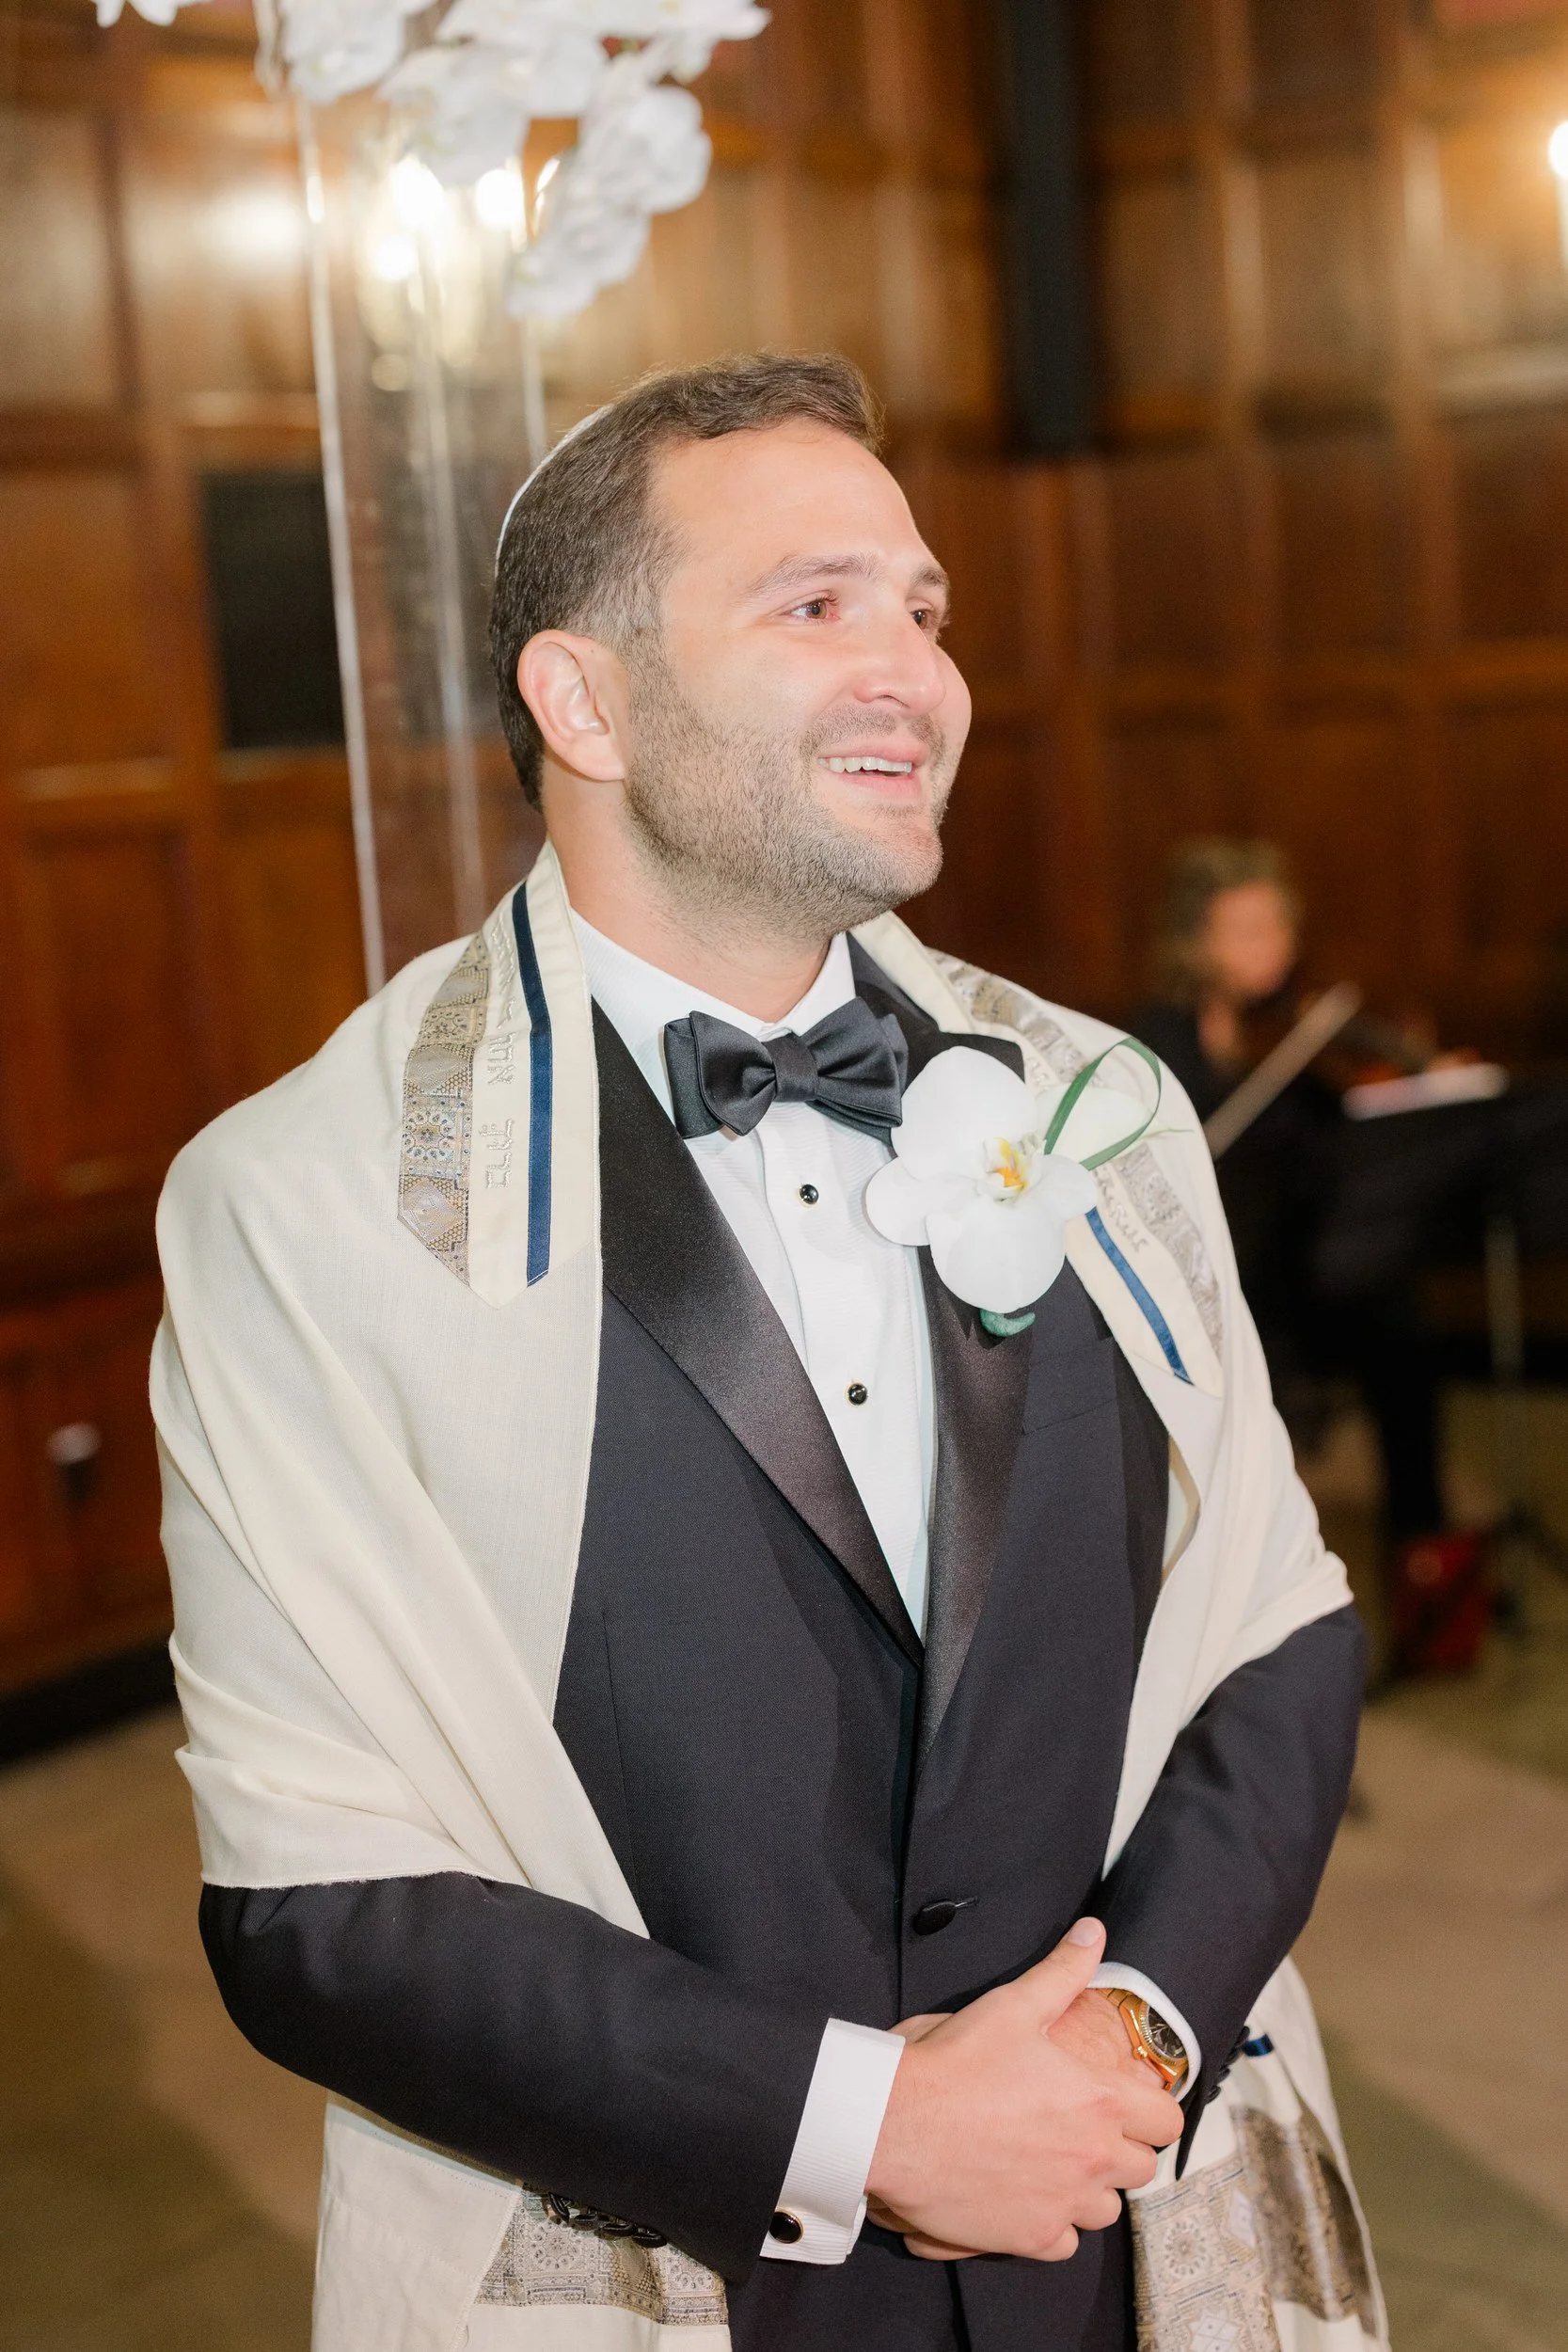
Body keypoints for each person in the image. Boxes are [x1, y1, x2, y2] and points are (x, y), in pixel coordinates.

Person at [154, 357, 1369, 2352]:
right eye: (814, 605)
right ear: (584, 699)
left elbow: (1276, 1625)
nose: (913, 667)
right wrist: (870, 2120)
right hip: (676, 2256)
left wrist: (1134, 2035)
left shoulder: (1098, 1105)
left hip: (1120, 2219)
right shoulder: (301, 1204)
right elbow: (318, 1903)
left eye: (921, 607)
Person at [1132, 840, 1469, 1651]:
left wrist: (1425, 1084)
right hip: (1227, 1288)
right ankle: (1239, 1612)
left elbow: (1351, 1141)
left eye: (1276, 926)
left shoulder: (1308, 1028)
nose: (1267, 947)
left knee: (1402, 1333)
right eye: (1242, 929)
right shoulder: (1159, 1039)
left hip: (1317, 1269)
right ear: (1195, 941)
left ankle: (1426, 1568)